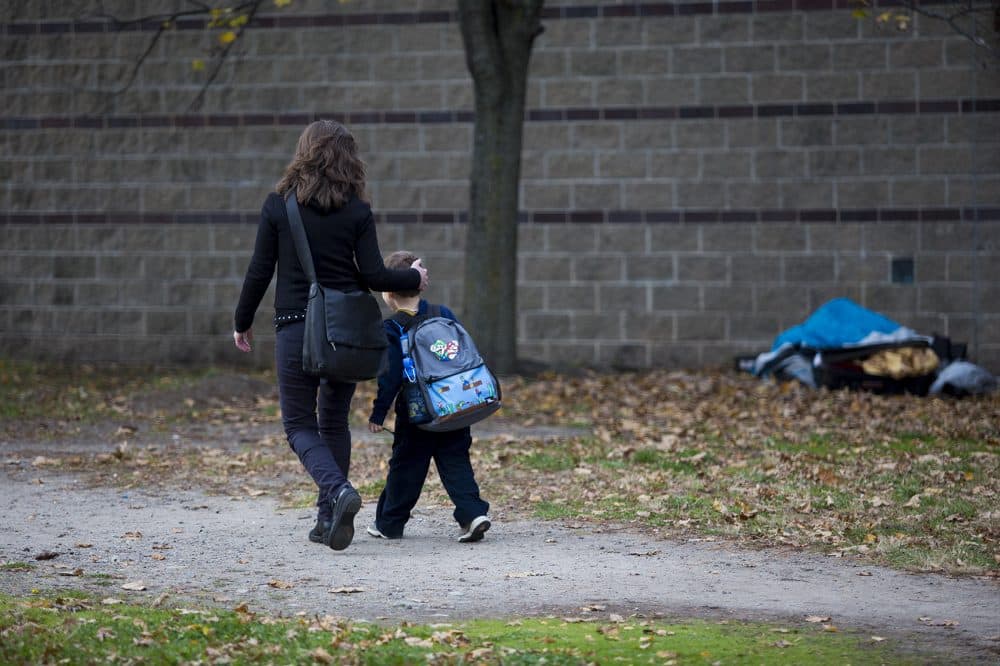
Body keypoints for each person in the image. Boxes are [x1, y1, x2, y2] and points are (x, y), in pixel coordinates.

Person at [233, 120, 428, 552]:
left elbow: (260, 269)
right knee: (333, 420)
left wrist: (241, 320)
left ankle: (337, 495)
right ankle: (327, 519)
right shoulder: (357, 211)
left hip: (296, 328)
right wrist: (411, 275)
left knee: (299, 424)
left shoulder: (280, 206)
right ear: (349, 160)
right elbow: (374, 275)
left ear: (304, 154)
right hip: (343, 331)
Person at [367, 251, 491, 543]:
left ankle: (389, 524)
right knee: (456, 462)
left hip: (417, 412)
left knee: (406, 466)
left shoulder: (392, 327)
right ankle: (473, 515)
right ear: (422, 283)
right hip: (456, 404)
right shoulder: (443, 314)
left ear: (388, 292)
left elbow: (391, 375)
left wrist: (378, 412)